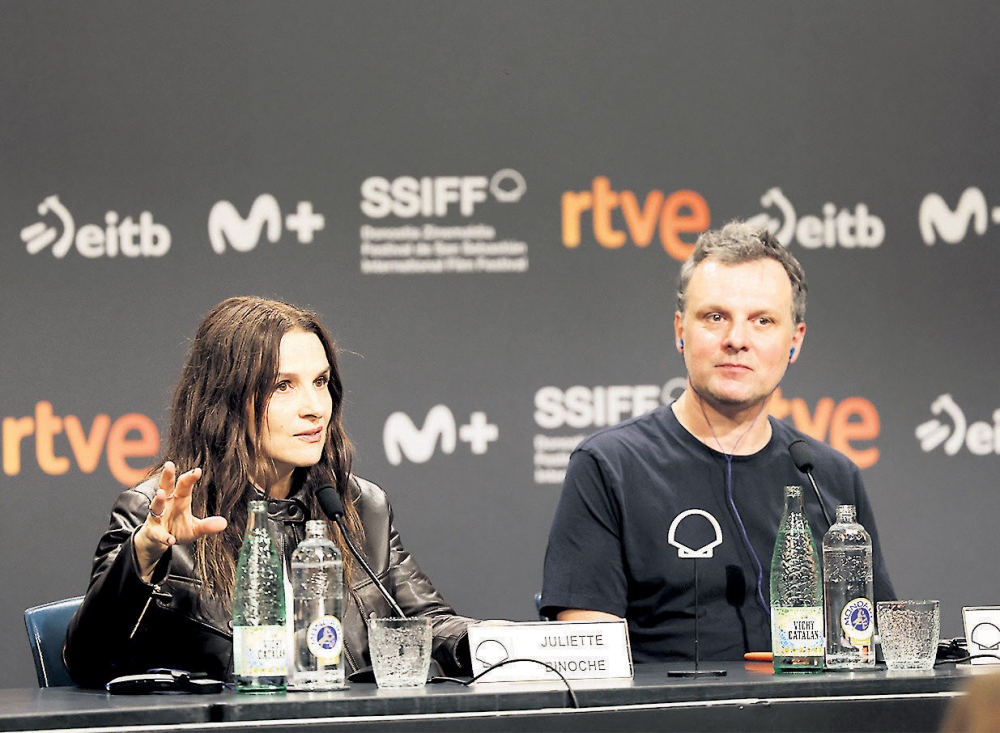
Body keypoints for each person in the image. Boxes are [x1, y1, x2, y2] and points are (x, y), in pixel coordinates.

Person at [65, 296, 473, 687]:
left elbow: (429, 624)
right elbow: (87, 662)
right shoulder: (155, 512)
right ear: (224, 400)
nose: (315, 407)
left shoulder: (359, 505)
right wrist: (144, 553)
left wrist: (496, 641)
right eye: (283, 386)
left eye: (321, 381)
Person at [540, 220, 895, 662]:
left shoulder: (830, 476)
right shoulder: (610, 465)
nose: (736, 340)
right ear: (680, 331)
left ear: (794, 341)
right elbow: (588, 664)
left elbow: (876, 646)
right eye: (715, 317)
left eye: (762, 321)